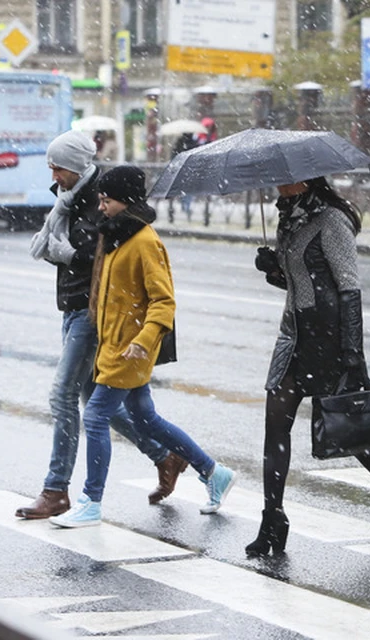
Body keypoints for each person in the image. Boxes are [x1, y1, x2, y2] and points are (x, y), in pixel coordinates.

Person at [49, 166, 237, 528]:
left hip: (130, 348)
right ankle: (213, 473)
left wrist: (143, 340)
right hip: (114, 344)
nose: (101, 207)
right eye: (101, 200)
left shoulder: (145, 241)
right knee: (145, 417)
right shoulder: (117, 235)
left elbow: (163, 302)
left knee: (95, 415)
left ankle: (91, 501)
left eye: (107, 201)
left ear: (127, 201)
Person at [17, 131, 188, 521]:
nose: (53, 175)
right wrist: (60, 252)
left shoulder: (103, 202)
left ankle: (55, 490)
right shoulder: (70, 200)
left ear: (75, 167)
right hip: (72, 307)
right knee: (95, 404)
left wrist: (66, 255)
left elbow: (100, 257)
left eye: (58, 167)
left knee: (62, 396)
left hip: (89, 313)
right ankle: (165, 456)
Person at [249, 176, 370, 556]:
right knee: (275, 424)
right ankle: (273, 519)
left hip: (328, 338)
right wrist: (273, 269)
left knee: (348, 427)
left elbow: (348, 288)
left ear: (306, 179)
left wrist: (352, 356)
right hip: (293, 334)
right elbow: (301, 284)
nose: (278, 183)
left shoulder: (331, 220)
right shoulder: (288, 218)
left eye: (285, 177)